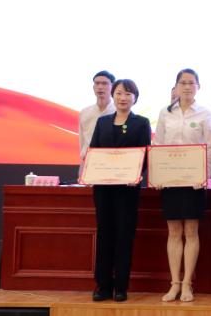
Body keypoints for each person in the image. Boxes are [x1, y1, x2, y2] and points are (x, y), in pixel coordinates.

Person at [153, 69, 211, 302]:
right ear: (176, 87)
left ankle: (187, 283)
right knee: (174, 232)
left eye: (191, 83)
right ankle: (174, 284)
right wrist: (158, 174)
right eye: (183, 83)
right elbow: (158, 145)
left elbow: (210, 148)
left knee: (191, 231)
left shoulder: (205, 113)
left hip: (194, 182)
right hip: (170, 181)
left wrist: (204, 176)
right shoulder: (165, 113)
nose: (187, 87)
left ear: (198, 86)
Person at [87, 79, 151, 302]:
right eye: (119, 93)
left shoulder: (141, 123)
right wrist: (90, 172)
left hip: (127, 189)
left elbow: (145, 154)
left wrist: (136, 174)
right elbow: (93, 151)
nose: (123, 98)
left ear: (135, 98)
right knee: (104, 234)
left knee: (124, 235)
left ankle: (121, 287)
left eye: (128, 94)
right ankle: (103, 286)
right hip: (103, 188)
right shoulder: (102, 122)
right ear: (113, 95)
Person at [79, 70, 116, 168]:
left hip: (113, 162)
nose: (100, 87)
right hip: (89, 161)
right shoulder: (85, 112)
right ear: (93, 87)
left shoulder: (118, 112)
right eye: (97, 83)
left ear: (113, 87)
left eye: (104, 83)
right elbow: (82, 141)